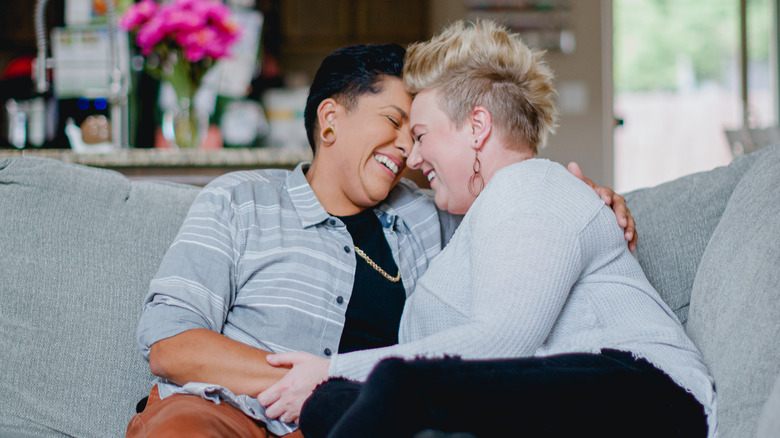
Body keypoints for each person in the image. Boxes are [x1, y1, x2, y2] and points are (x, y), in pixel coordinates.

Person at [126, 42, 635, 437]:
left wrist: (585, 197)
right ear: (330, 120)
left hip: (342, 423)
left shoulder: (424, 213)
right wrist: (314, 378)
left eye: (415, 135)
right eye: (393, 123)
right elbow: (172, 343)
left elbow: (519, 217)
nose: (407, 151)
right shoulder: (241, 200)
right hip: (220, 412)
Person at [258, 20, 716, 438]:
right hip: (548, 398)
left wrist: (332, 368)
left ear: (477, 126)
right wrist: (335, 385)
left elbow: (502, 339)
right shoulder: (480, 218)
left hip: (647, 392)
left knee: (391, 385)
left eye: (421, 135)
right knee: (332, 404)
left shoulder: (531, 185)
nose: (412, 159)